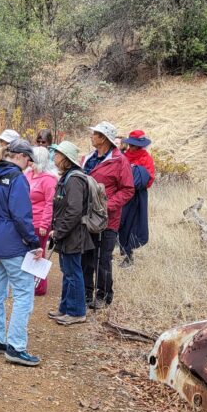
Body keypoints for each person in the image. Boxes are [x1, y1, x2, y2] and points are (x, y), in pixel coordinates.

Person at [0, 139, 43, 367]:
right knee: (24, 293)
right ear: (20, 156)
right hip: (13, 243)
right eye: (28, 160)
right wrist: (33, 242)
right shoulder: (17, 178)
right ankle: (16, 347)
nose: (28, 165)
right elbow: (21, 215)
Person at [82, 121, 135, 309]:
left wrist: (106, 206)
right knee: (86, 255)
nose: (91, 136)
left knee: (103, 258)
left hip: (107, 219)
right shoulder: (89, 158)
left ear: (103, 138)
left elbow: (128, 190)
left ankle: (104, 296)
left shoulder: (120, 161)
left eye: (94, 133)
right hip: (86, 217)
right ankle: (86, 294)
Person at [48, 141, 93, 325]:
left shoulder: (74, 179)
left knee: (73, 273)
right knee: (67, 272)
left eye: (57, 154)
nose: (55, 157)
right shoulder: (68, 177)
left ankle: (76, 312)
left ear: (65, 158)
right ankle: (65, 308)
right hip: (68, 234)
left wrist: (59, 232)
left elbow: (73, 211)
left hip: (73, 235)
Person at [118, 130, 155, 266]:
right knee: (120, 222)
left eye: (136, 146)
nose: (133, 148)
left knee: (133, 224)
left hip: (138, 196)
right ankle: (120, 249)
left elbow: (150, 179)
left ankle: (129, 255)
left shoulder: (146, 158)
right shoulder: (124, 156)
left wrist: (138, 176)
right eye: (131, 145)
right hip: (123, 194)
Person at [25, 146, 58, 296]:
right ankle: (28, 282)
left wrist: (45, 223)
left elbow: (50, 203)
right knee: (27, 253)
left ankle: (39, 287)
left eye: (32, 159)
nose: (29, 161)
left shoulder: (49, 179)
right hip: (27, 221)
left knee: (38, 253)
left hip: (39, 223)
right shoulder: (28, 175)